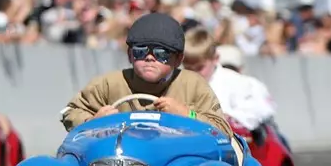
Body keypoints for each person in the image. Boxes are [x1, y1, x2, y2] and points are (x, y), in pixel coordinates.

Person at [59, 11, 232, 135]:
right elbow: (70, 112)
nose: (149, 58)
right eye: (140, 51)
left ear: (178, 59)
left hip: (178, 164)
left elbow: (223, 131)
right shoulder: (109, 84)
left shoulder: (192, 84)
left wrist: (188, 115)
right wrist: (93, 122)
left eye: (161, 54)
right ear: (129, 55)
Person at [206, 43, 281, 135]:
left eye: (231, 68)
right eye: (225, 68)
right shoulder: (208, 84)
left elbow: (267, 110)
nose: (229, 73)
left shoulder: (253, 84)